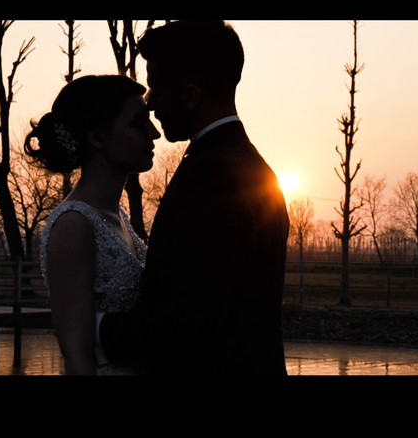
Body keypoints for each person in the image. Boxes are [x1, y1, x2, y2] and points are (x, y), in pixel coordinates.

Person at [97, 20, 291, 375]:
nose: (150, 104)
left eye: (156, 89)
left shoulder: (210, 176)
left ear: (190, 96)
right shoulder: (258, 170)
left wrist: (93, 326)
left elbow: (187, 322)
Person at [25, 74, 161, 375]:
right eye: (138, 123)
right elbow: (77, 354)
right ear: (98, 137)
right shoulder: (74, 225)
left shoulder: (117, 215)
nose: (154, 133)